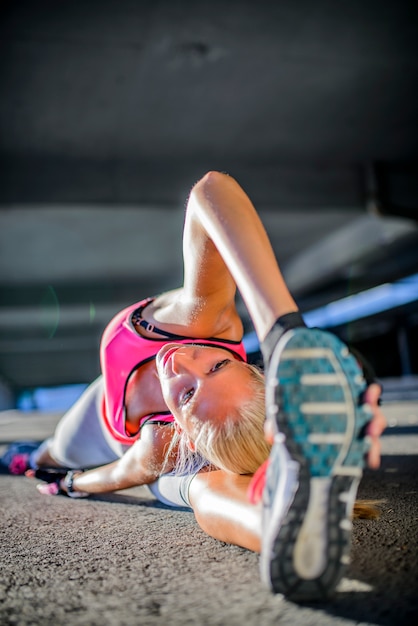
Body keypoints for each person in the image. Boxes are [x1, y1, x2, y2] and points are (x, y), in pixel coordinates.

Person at [1, 171, 386, 601]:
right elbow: (211, 190)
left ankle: (282, 531)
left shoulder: (165, 448)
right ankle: (29, 456)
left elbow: (117, 474)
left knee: (191, 486)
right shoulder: (206, 322)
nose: (183, 360)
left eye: (187, 395)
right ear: (258, 368)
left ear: (182, 431)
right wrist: (284, 330)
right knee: (42, 453)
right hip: (99, 404)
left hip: (104, 436)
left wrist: (70, 485)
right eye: (218, 365)